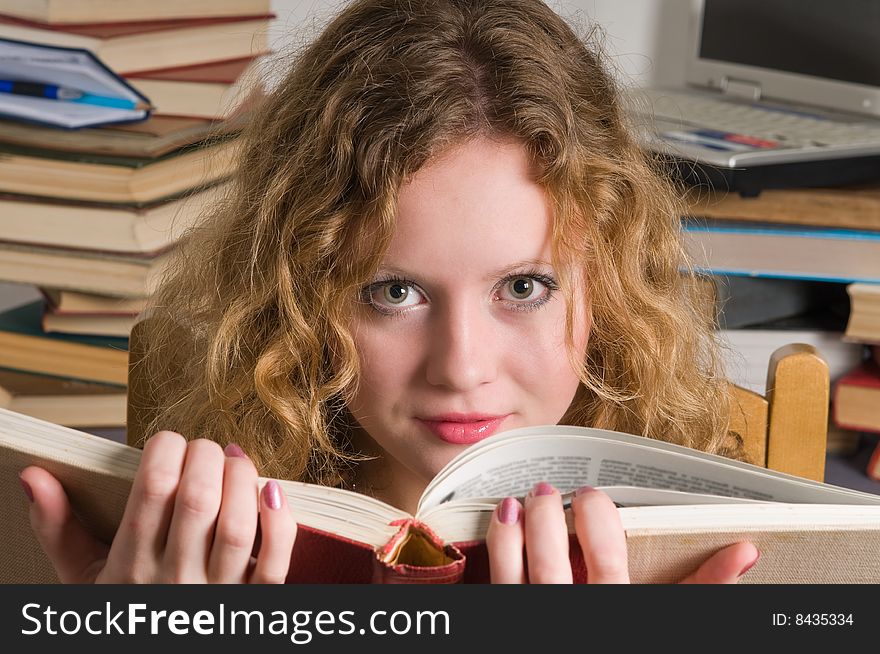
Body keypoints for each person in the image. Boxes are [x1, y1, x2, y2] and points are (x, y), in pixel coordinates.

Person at [19, 0, 759, 584]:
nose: (462, 368)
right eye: (395, 292)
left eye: (524, 286)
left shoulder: (691, 567)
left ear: (609, 286)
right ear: (301, 298)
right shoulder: (194, 548)